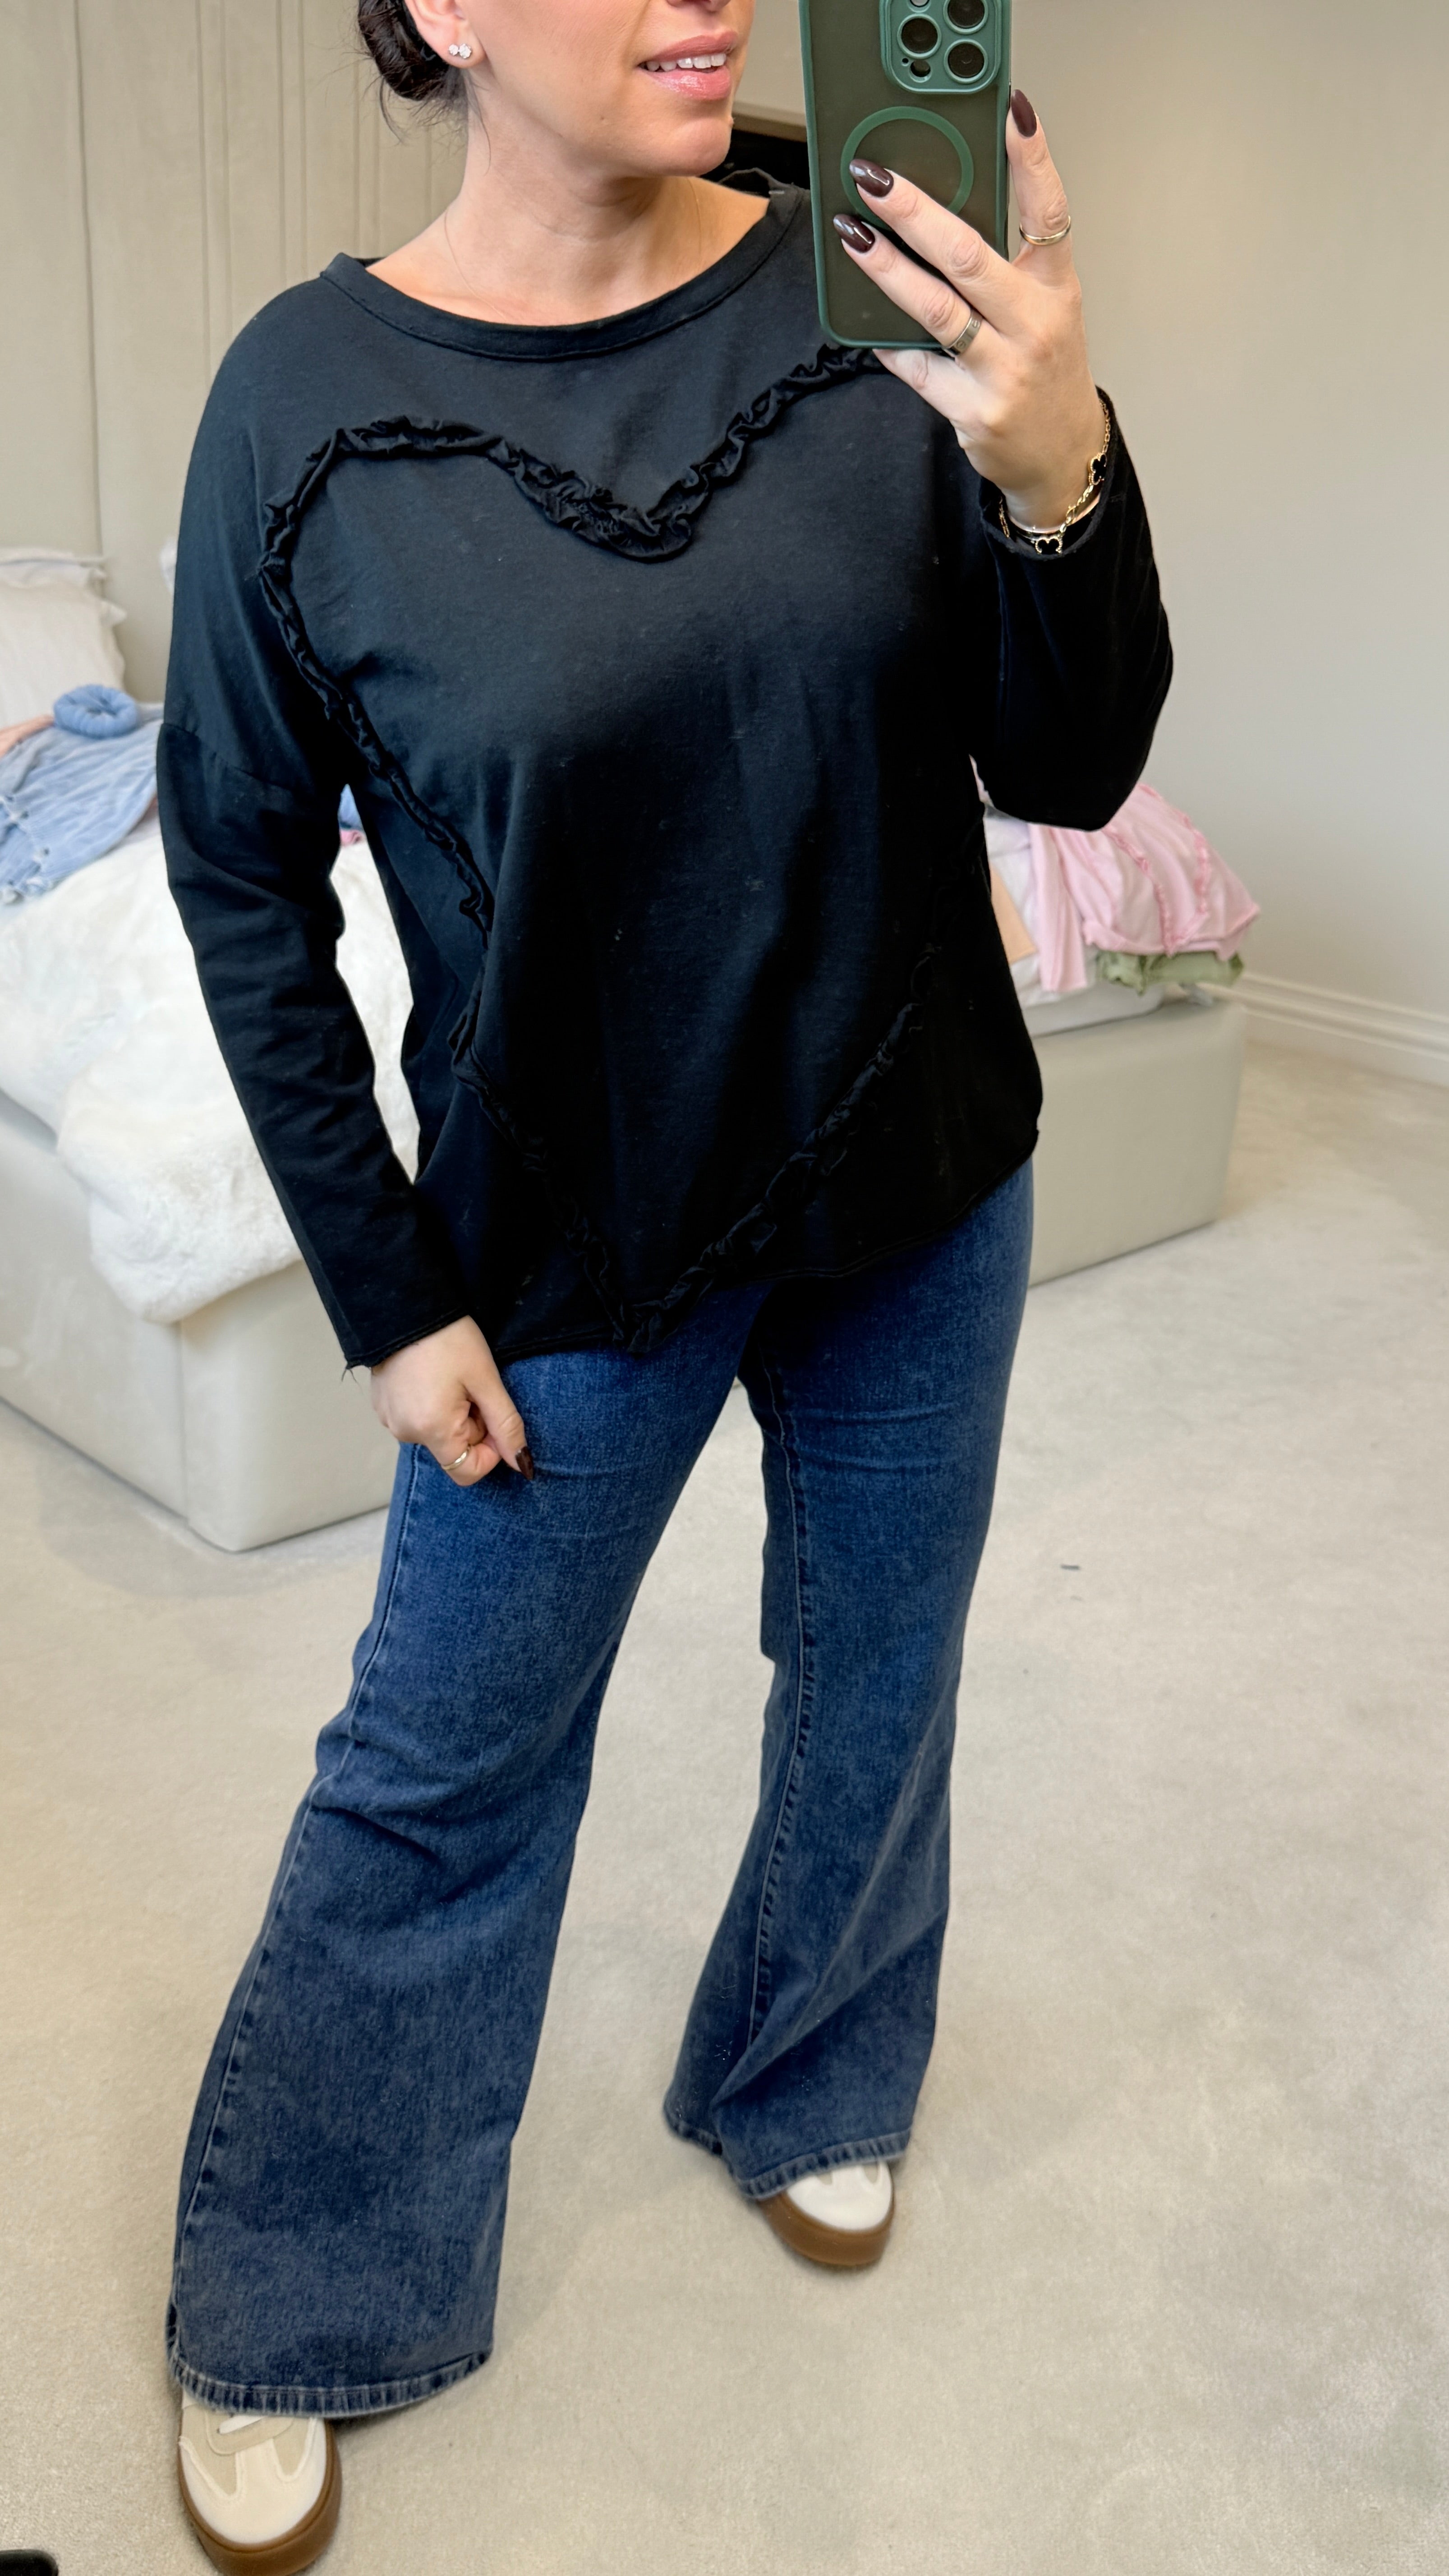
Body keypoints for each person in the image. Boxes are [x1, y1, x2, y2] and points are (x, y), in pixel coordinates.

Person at [158, 0, 1170, 2563]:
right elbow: (242, 881)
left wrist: (1057, 452)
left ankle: (810, 2072)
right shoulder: (301, 407)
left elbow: (1065, 765)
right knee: (446, 1766)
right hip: (567, 1238)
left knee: (880, 1674)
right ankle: (303, 2278)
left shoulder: (874, 259)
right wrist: (389, 1294)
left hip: (921, 1173)